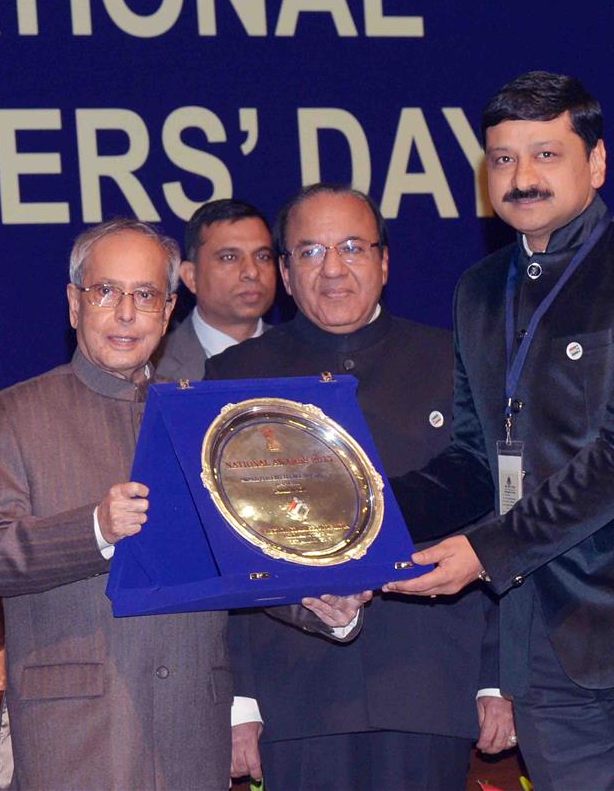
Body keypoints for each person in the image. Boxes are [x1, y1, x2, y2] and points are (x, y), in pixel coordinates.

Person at [0, 218, 369, 790]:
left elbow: (239, 553)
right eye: (107, 292)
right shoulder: (16, 413)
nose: (127, 313)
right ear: (75, 304)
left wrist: (321, 603)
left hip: (191, 728)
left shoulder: (201, 417)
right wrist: (96, 529)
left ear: (170, 309)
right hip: (75, 730)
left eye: (146, 295)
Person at [385, 71, 614, 790]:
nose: (520, 179)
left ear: (598, 162)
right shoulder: (479, 291)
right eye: (502, 159)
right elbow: (473, 458)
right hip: (540, 649)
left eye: (545, 154)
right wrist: (361, 516)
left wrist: (482, 553)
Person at [206, 185, 511, 790]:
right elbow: (225, 554)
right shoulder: (235, 378)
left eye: (352, 247)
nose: (335, 269)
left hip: (429, 679)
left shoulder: (456, 362)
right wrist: (240, 701)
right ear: (286, 274)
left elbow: (499, 523)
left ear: (384, 261)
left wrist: (495, 677)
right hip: (294, 694)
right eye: (311, 252)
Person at [155, 198, 277, 380]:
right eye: (229, 257)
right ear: (190, 276)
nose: (251, 272)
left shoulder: (307, 358)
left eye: (262, 256)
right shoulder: (153, 364)